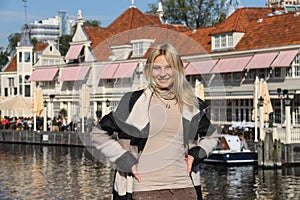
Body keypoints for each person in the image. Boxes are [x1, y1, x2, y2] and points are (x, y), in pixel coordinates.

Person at [90, 43, 219, 199]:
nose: (162, 73)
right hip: (145, 190)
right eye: (157, 68)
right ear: (149, 71)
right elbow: (98, 133)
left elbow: (212, 136)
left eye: (169, 67)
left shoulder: (191, 105)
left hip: (184, 189)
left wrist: (195, 155)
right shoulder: (134, 102)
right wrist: (125, 159)